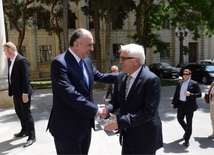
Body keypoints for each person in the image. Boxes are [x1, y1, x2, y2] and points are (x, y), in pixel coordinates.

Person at [47, 28, 117, 154]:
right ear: (76, 44)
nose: (92, 49)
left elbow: (100, 77)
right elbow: (70, 94)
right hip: (67, 128)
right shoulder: (60, 63)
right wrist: (96, 109)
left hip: (85, 124)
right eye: (89, 45)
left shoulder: (86, 61)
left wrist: (126, 75)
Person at [104, 43, 163, 155]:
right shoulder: (121, 76)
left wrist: (120, 121)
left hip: (145, 138)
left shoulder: (151, 80)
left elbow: (149, 112)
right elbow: (116, 100)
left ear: (136, 61)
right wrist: (107, 109)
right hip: (127, 136)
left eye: (123, 58)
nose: (120, 61)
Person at [3, 42, 36, 147]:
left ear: (10, 50)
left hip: (23, 93)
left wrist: (25, 93)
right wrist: (10, 90)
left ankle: (32, 136)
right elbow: (12, 77)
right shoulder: (11, 61)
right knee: (19, 112)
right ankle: (24, 130)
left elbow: (27, 78)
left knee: (26, 114)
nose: (4, 53)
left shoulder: (21, 60)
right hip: (16, 93)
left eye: (5, 51)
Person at [171, 69, 201, 147]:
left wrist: (190, 94)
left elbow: (199, 94)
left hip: (189, 106)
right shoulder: (180, 83)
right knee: (179, 119)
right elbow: (176, 94)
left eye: (187, 74)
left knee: (189, 122)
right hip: (181, 104)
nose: (185, 76)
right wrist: (173, 103)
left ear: (190, 75)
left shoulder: (194, 83)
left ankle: (187, 139)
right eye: (184, 74)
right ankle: (187, 131)